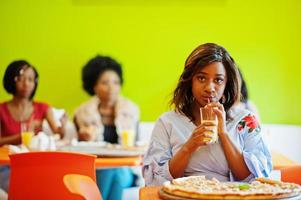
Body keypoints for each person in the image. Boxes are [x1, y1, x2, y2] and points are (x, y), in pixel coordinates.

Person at [142, 43, 272, 186]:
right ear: (190, 80)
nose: (210, 88)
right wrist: (189, 146)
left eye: (218, 80)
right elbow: (157, 180)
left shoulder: (245, 120)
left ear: (226, 84)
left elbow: (253, 178)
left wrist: (223, 134)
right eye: (201, 78)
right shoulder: (167, 122)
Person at [74, 55, 139, 200]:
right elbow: (76, 148)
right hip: (93, 169)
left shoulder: (131, 111)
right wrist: (83, 137)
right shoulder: (83, 113)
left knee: (114, 172)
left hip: (124, 169)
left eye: (116, 82)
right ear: (94, 86)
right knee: (110, 173)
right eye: (105, 82)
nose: (111, 88)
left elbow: (137, 146)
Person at [0, 60, 66, 191]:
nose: (26, 84)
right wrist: (23, 137)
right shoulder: (1, 109)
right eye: (20, 79)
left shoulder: (43, 108)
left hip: (37, 164)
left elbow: (58, 133)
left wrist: (63, 124)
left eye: (30, 79)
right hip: (7, 165)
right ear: (10, 80)